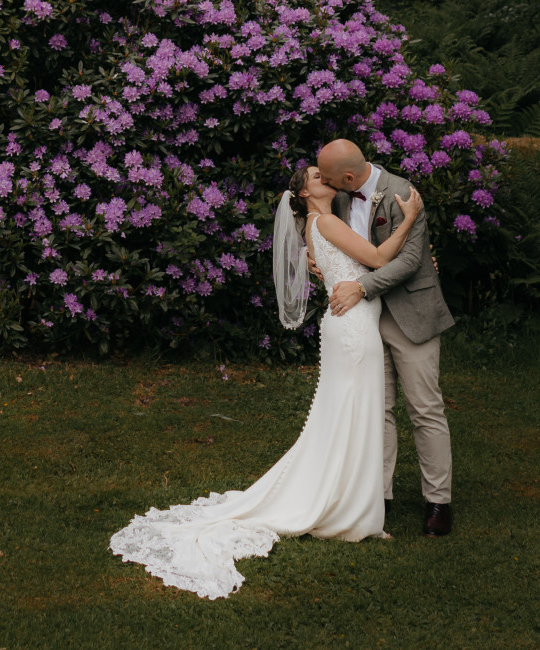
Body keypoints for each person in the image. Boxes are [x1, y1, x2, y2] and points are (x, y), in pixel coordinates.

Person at [108, 162, 421, 600]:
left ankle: (353, 508)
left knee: (350, 417)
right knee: (353, 415)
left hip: (351, 325)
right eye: (316, 177)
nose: (326, 179)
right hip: (352, 331)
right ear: (306, 194)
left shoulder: (322, 223)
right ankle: (352, 515)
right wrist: (409, 221)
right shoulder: (326, 221)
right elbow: (377, 259)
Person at [309, 139, 458, 537]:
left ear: (349, 177)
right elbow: (342, 246)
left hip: (410, 313)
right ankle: (379, 494)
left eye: (327, 176)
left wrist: (360, 287)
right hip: (364, 322)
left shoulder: (402, 193)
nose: (321, 181)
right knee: (378, 408)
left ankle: (438, 502)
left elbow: (411, 261)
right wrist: (318, 259)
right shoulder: (337, 200)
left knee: (425, 408)